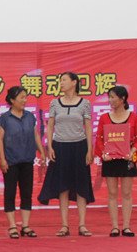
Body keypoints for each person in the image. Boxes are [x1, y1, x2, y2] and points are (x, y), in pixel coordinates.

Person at [38, 72, 95, 236]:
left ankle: (82, 225)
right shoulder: (55, 103)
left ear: (74, 82)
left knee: (81, 186)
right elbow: (50, 126)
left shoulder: (85, 103)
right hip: (60, 146)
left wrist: (89, 149)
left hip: (79, 147)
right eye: (60, 80)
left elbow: (88, 127)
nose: (61, 83)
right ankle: (64, 225)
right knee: (62, 187)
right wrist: (50, 146)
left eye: (64, 80)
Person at [94, 85, 137, 237]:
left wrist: (132, 151)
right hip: (110, 160)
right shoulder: (104, 118)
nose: (110, 100)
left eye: (113, 97)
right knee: (112, 193)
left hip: (127, 159)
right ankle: (115, 227)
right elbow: (99, 139)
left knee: (127, 193)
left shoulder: (133, 117)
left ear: (122, 99)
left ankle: (126, 226)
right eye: (109, 97)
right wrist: (103, 153)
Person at [0, 86, 45, 239]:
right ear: (12, 100)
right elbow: (0, 140)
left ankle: (25, 226)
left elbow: (36, 136)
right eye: (21, 97)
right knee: (10, 193)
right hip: (10, 162)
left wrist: (42, 152)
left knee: (26, 193)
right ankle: (12, 226)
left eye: (26, 97)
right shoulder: (5, 118)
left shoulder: (30, 117)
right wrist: (2, 159)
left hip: (27, 160)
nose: (25, 100)